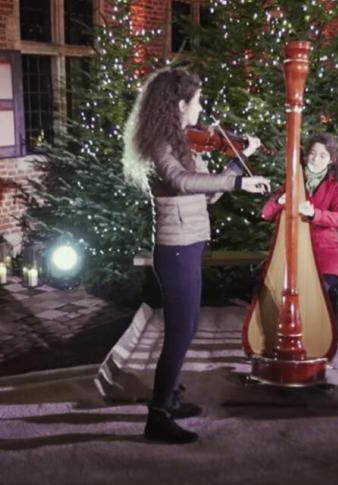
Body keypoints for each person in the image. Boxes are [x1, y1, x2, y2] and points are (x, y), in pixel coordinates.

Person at [122, 68, 270, 444]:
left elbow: (207, 193)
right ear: (179, 104)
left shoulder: (185, 144)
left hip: (189, 244)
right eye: (197, 100)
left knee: (186, 329)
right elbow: (182, 182)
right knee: (179, 332)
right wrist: (239, 181)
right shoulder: (160, 145)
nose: (201, 107)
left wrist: (239, 162)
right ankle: (157, 416)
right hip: (174, 249)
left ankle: (169, 399)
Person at [261, 132, 338, 341]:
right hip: (296, 252)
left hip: (326, 254)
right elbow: (266, 213)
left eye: (322, 156)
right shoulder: (294, 181)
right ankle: (286, 336)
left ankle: (326, 340)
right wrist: (280, 200)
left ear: (331, 161)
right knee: (274, 287)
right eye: (313, 154)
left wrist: (315, 214)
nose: (316, 159)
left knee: (321, 291)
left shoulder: (335, 186)